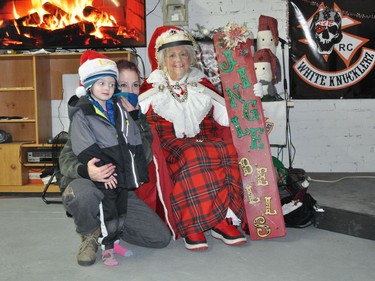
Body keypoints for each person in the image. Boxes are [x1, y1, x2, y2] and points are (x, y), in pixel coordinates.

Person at [139, 26, 264, 251]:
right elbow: (133, 119)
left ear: (191, 57)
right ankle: (192, 224)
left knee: (226, 150)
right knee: (193, 154)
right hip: (170, 144)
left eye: (183, 54)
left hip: (205, 138)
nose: (179, 60)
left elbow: (227, 118)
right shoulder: (151, 87)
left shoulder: (201, 84)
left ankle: (223, 219)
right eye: (172, 55)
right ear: (161, 59)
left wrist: (249, 96)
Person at [59, 52, 171, 267]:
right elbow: (65, 159)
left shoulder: (132, 117)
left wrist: (136, 121)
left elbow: (144, 157)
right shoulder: (87, 113)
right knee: (84, 194)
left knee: (159, 238)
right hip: (88, 183)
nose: (129, 91)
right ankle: (90, 234)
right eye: (123, 84)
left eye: (135, 85)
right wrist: (87, 171)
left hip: (119, 187)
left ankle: (111, 230)